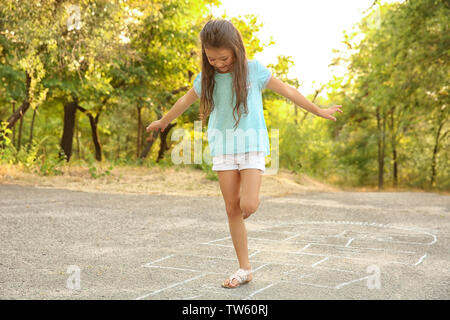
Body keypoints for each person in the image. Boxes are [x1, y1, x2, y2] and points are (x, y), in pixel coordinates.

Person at [146, 19, 343, 289]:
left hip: (251, 146)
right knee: (231, 209)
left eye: (223, 57)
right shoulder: (207, 79)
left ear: (236, 49)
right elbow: (184, 101)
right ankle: (244, 269)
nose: (218, 63)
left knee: (248, 204)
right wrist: (163, 121)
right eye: (211, 58)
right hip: (223, 147)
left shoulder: (255, 71)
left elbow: (289, 91)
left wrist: (318, 110)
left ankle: (248, 220)